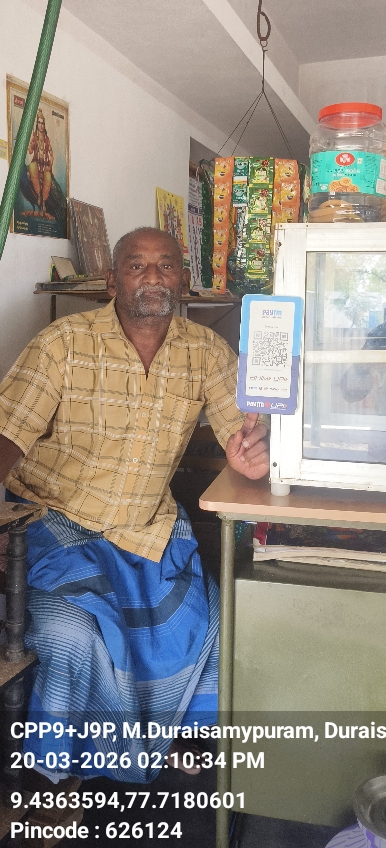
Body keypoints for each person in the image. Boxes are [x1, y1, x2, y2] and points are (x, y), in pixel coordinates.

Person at [0, 227, 269, 784]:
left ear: (183, 280)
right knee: (74, 632)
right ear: (111, 281)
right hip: (54, 519)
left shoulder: (206, 351)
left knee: (209, 618)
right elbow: (8, 432)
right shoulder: (63, 343)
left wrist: (249, 453)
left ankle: (170, 735)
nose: (152, 277)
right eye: (137, 266)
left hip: (146, 525)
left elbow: (239, 433)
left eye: (165, 266)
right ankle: (63, 769)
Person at [26, 109, 54, 219]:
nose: (41, 125)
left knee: (48, 177)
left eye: (43, 123)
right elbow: (30, 151)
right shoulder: (34, 136)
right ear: (37, 124)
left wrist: (50, 166)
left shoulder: (47, 139)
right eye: (39, 123)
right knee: (32, 167)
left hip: (45, 166)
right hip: (36, 163)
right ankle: (38, 195)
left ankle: (44, 201)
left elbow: (51, 154)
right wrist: (28, 145)